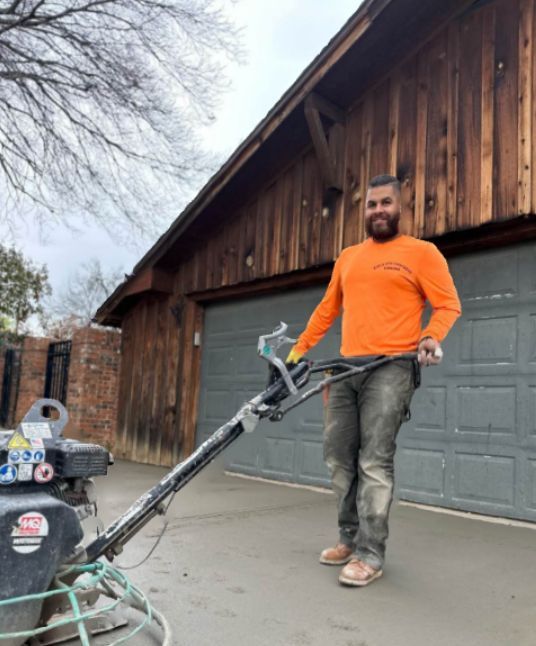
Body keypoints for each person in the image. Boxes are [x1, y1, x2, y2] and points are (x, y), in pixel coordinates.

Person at [286, 174, 461, 587]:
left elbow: (448, 305)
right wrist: (297, 352)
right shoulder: (348, 257)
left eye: (386, 203)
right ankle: (349, 538)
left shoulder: (422, 253)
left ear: (400, 208)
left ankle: (371, 553)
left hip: (393, 366)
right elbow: (327, 310)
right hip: (346, 369)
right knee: (338, 457)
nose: (378, 210)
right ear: (363, 211)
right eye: (371, 204)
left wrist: (430, 336)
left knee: (374, 460)